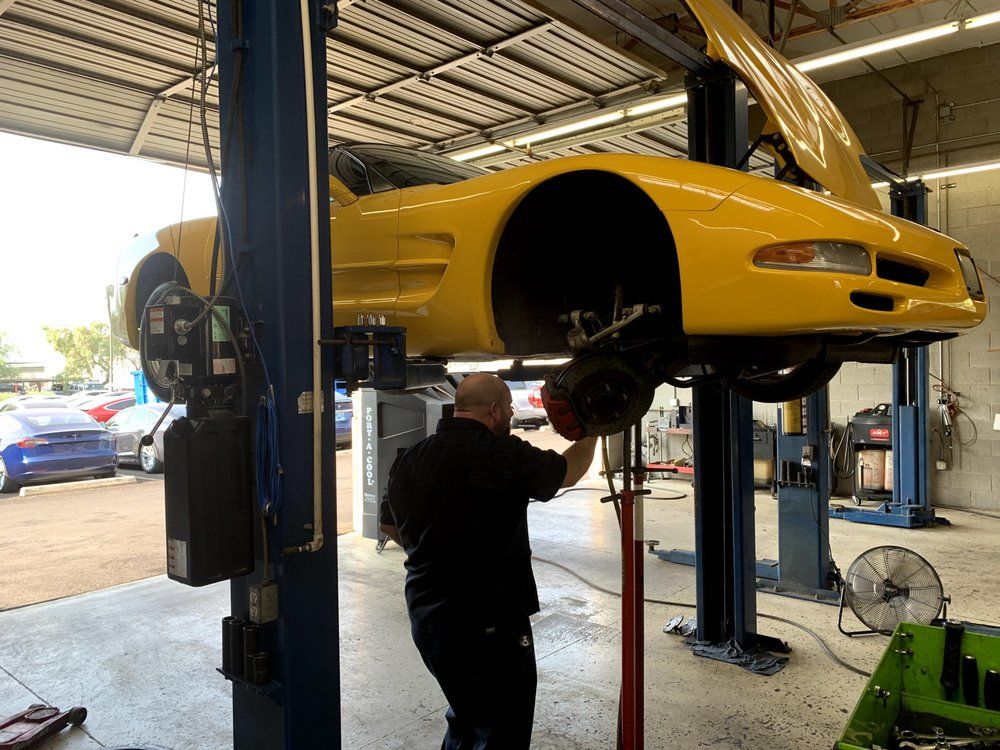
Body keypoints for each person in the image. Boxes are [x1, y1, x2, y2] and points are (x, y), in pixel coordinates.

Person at [379, 373, 598, 749]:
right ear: (494, 410)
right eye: (509, 409)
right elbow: (570, 471)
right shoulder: (499, 453)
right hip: (489, 624)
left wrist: (438, 553)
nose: (512, 415)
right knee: (502, 731)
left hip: (428, 619)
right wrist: (593, 428)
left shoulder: (412, 456)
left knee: (466, 715)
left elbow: (389, 526)